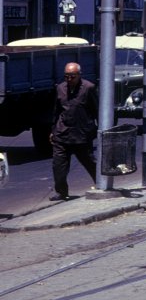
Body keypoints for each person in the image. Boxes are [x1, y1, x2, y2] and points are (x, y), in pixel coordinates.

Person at [50, 62, 98, 201]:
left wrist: (97, 129)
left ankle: (101, 183)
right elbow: (56, 111)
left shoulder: (88, 88)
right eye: (66, 76)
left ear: (79, 75)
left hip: (81, 134)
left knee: (88, 161)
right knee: (58, 164)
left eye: (72, 76)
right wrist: (53, 130)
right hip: (62, 132)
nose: (69, 80)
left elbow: (97, 110)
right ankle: (61, 192)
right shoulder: (60, 88)